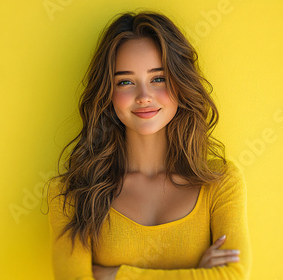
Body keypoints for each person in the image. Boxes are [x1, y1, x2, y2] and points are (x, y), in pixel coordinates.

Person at [45, 10, 252, 280]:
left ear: (179, 82)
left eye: (158, 79)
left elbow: (234, 276)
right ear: (108, 93)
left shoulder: (221, 183)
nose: (144, 96)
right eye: (126, 82)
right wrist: (199, 274)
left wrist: (114, 275)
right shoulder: (71, 193)